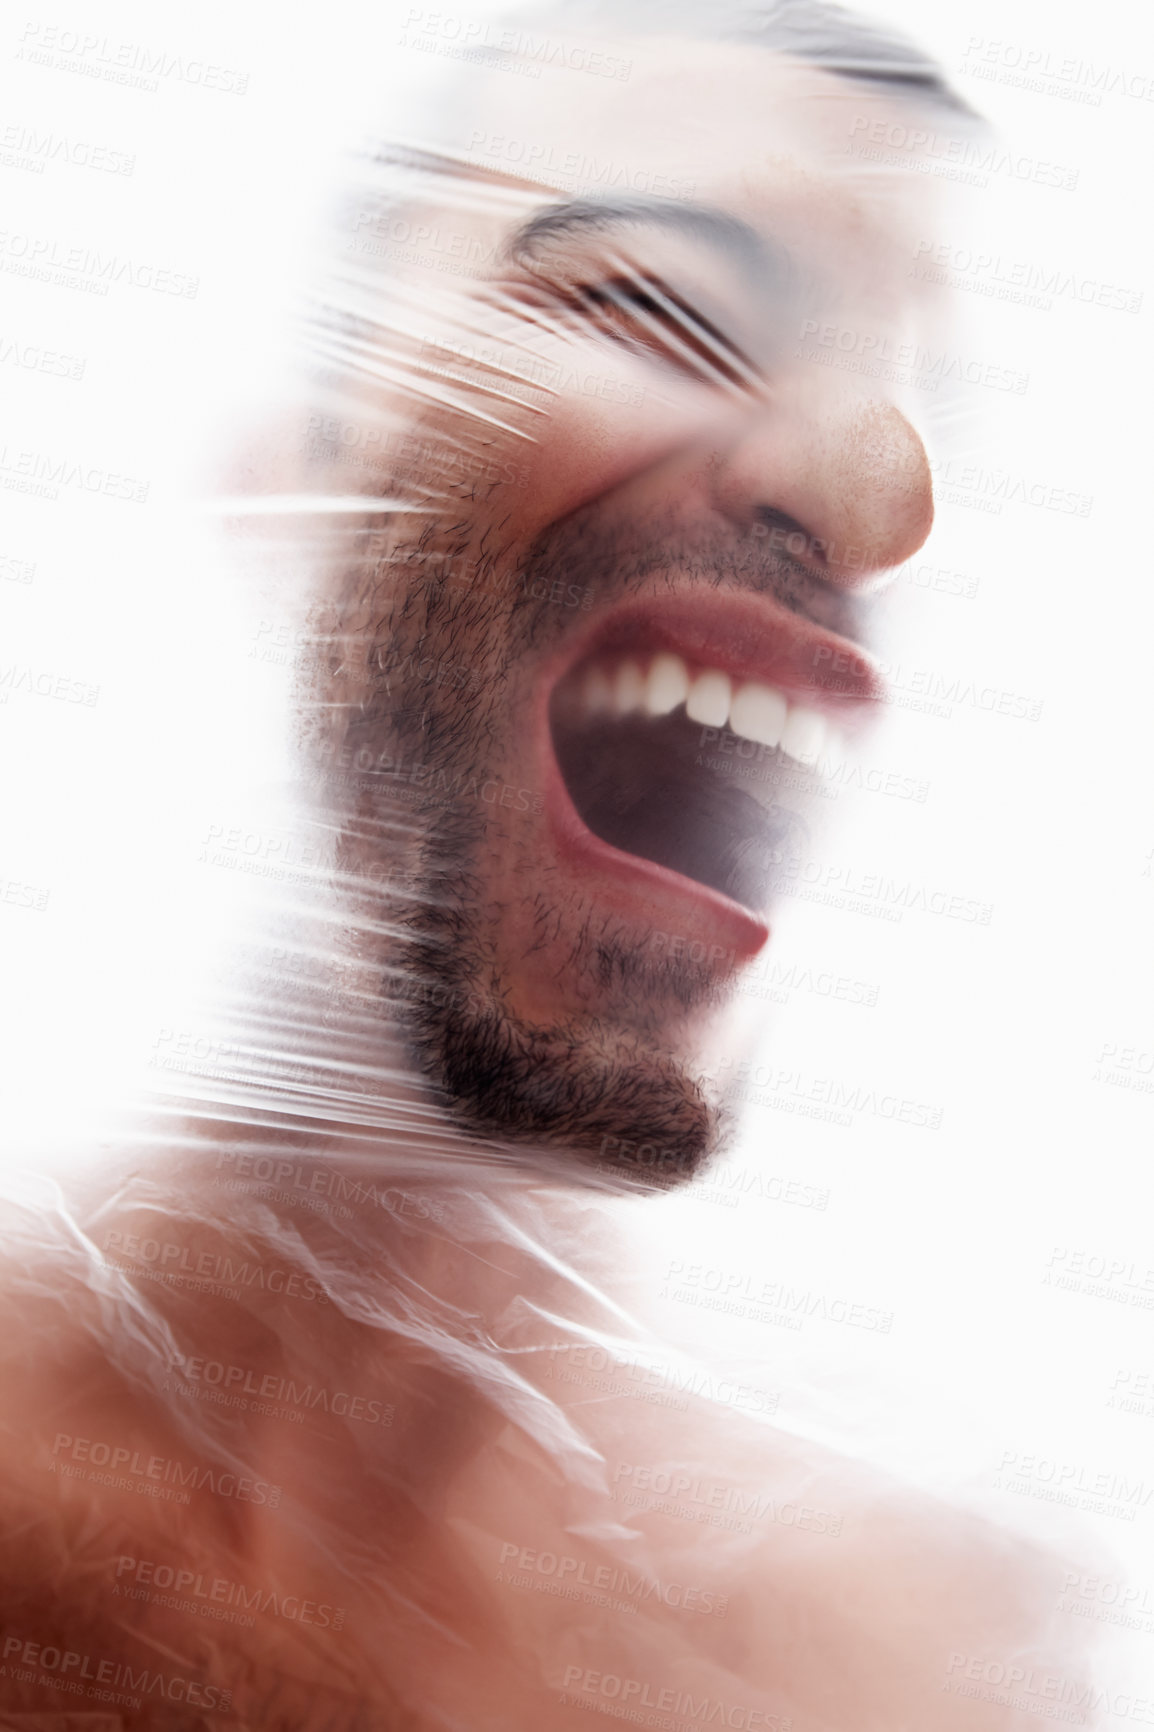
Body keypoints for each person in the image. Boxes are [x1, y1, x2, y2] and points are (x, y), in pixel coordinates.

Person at [0, 3, 1104, 1727]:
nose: (878, 498)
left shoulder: (927, 1664)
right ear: (295, 489)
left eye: (912, 406)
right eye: (656, 301)